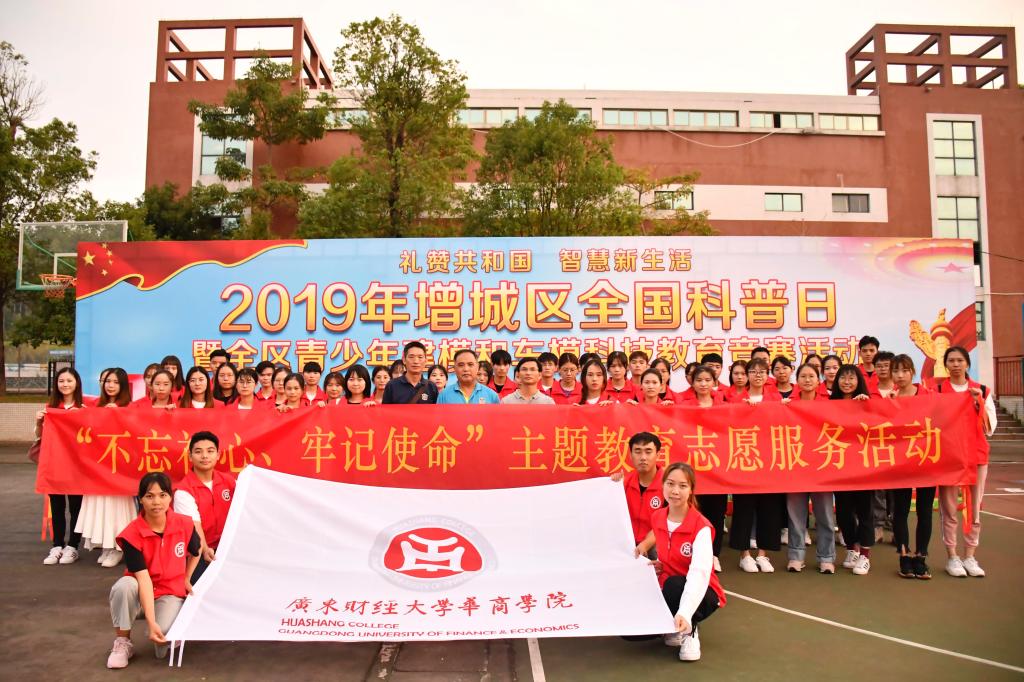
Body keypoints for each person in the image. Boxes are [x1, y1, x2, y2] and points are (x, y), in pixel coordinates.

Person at [106, 472, 200, 669]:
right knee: (123, 586)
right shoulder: (131, 534)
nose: (157, 502)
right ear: (140, 499)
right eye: (149, 496)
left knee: (162, 643)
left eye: (162, 495)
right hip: (140, 591)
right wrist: (151, 621)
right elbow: (143, 579)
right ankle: (123, 642)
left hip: (170, 592)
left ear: (170, 497)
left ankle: (166, 628)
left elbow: (196, 551)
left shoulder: (185, 523)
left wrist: (186, 577)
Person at [633, 463, 726, 662]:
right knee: (631, 633)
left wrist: (684, 612)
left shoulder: (701, 527)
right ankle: (671, 627)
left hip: (704, 593)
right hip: (669, 584)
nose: (675, 491)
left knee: (675, 585)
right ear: (663, 486)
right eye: (670, 484)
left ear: (691, 490)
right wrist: (660, 564)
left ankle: (689, 629)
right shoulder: (658, 517)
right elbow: (667, 548)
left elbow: (699, 574)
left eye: (682, 486)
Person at [935, 346, 996, 578]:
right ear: (945, 364)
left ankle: (970, 556)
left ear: (967, 364)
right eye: (951, 361)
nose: (956, 365)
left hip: (976, 456)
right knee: (949, 509)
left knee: (974, 508)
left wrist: (978, 402)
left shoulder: (981, 390)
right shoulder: (938, 390)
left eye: (960, 360)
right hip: (949, 457)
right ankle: (952, 557)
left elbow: (989, 428)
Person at [78, 367, 136, 568]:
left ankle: (118, 548)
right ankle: (105, 545)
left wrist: (119, 414)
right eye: (107, 381)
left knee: (117, 507)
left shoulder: (131, 407)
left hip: (119, 468)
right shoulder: (95, 406)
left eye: (115, 382)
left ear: (123, 385)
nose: (111, 385)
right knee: (100, 506)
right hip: (98, 467)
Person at [730, 358, 782, 572]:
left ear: (767, 375)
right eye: (753, 371)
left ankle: (763, 554)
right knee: (744, 508)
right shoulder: (736, 399)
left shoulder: (776, 398)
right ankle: (744, 555)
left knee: (769, 508)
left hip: (769, 461)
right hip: (745, 459)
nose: (758, 375)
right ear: (747, 375)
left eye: (762, 371)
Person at [785, 363, 836, 574]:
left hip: (822, 467)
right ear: (797, 380)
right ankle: (796, 556)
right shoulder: (788, 405)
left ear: (818, 379)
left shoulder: (829, 404)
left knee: (825, 516)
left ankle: (827, 557)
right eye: (803, 376)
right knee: (796, 516)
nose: (807, 380)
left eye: (811, 376)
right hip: (796, 466)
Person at [889, 354, 935, 579]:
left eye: (904, 370)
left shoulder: (928, 395)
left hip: (926, 460)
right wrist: (887, 405)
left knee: (925, 511)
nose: (900, 375)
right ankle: (904, 556)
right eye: (895, 371)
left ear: (912, 372)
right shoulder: (889, 399)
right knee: (901, 511)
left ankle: (921, 557)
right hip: (900, 463)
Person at [173, 432, 235, 585]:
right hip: (198, 552)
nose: (205, 456)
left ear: (218, 455)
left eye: (210, 451)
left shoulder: (229, 482)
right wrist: (206, 549)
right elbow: (195, 526)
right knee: (203, 585)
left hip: (228, 547)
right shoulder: (183, 491)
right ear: (190, 456)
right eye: (198, 451)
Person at [38, 367, 86, 565]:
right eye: (61, 381)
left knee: (76, 507)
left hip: (77, 466)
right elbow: (41, 437)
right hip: (55, 464)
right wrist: (38, 421)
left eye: (69, 380)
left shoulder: (85, 407)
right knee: (57, 506)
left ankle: (73, 546)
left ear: (77, 383)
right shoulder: (51, 408)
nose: (65, 384)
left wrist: (82, 416)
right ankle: (57, 545)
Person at [681, 366, 726, 573]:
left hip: (717, 470)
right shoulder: (684, 405)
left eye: (708, 380)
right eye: (699, 380)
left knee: (716, 514)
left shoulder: (724, 405)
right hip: (693, 468)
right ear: (692, 382)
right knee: (693, 514)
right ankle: (693, 555)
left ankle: (714, 555)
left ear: (714, 382)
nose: (703, 384)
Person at [831, 364, 874, 575]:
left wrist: (867, 406)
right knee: (844, 512)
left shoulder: (867, 403)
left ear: (859, 381)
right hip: (839, 467)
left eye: (851, 378)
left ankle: (865, 555)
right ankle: (852, 549)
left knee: (865, 511)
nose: (847, 382)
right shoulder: (829, 405)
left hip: (863, 467)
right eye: (843, 378)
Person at [619, 432, 665, 548]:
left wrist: (645, 545)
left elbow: (669, 523)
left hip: (657, 544)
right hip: (628, 544)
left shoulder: (669, 485)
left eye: (648, 452)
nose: (643, 457)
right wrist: (613, 486)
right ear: (630, 455)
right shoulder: (624, 484)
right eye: (638, 451)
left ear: (658, 454)